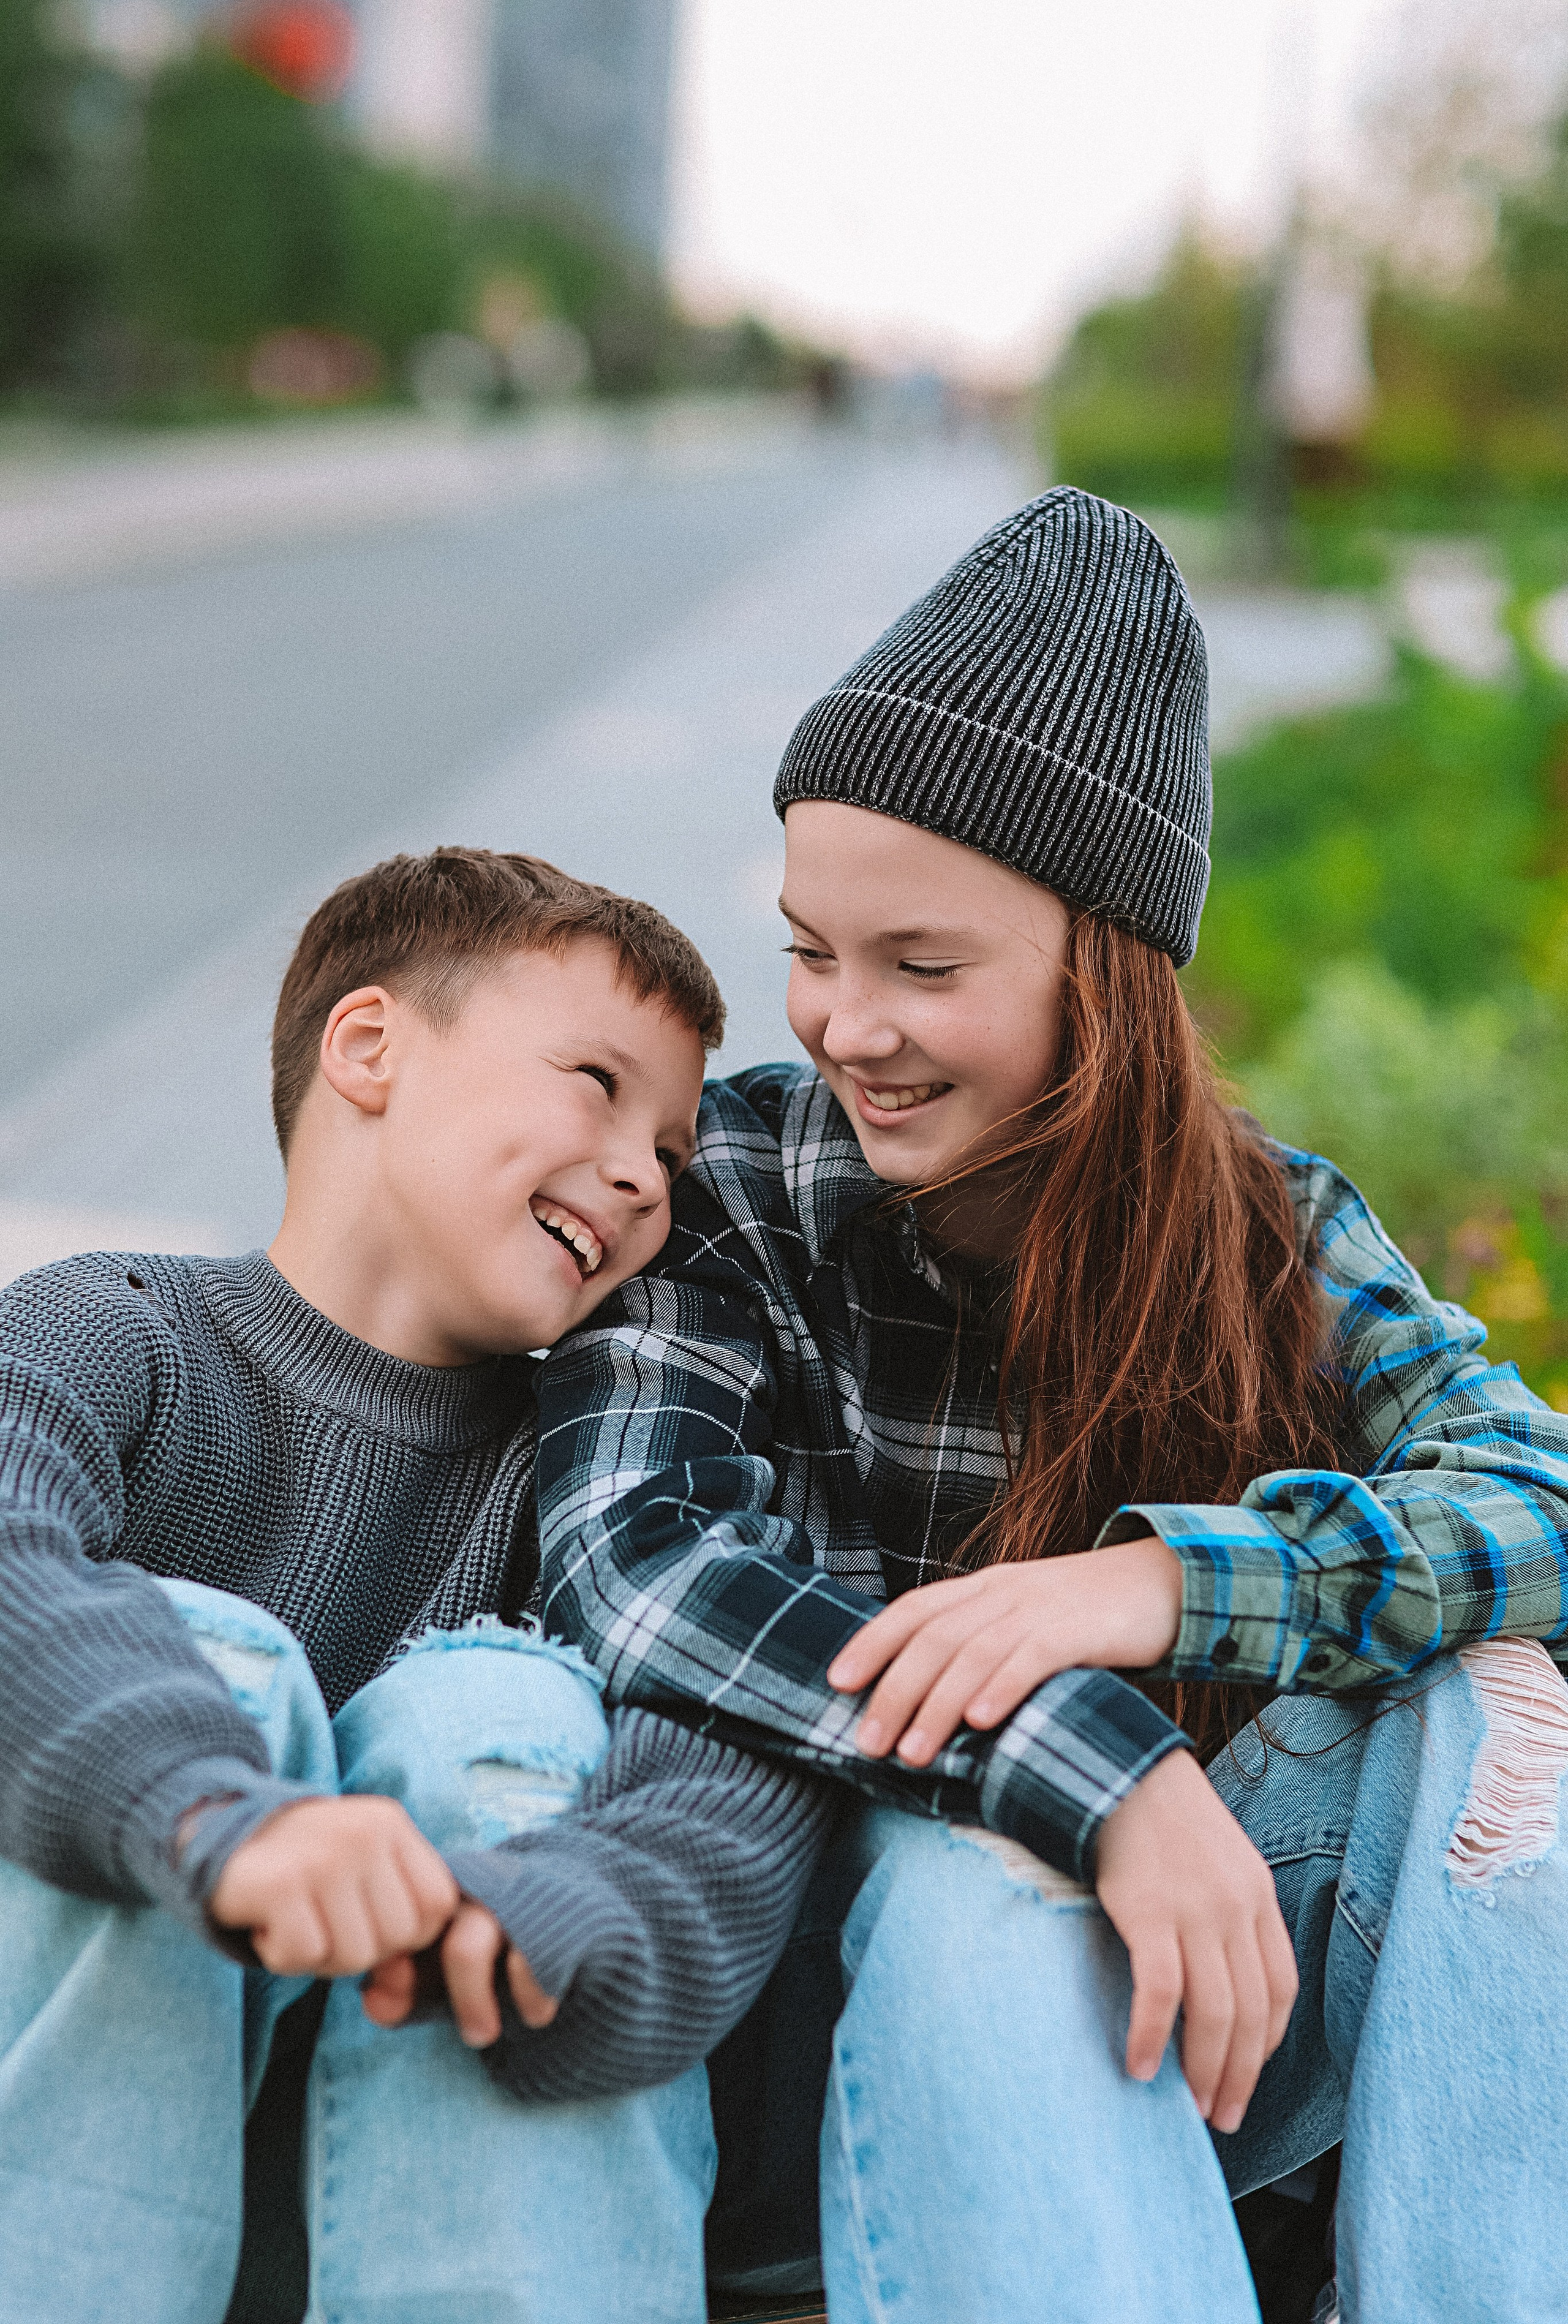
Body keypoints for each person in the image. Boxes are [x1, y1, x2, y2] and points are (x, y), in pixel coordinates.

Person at [535, 490, 1568, 2323]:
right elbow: (637, 1565)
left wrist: (1151, 1592)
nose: (846, 1027)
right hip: (843, 2032)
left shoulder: (1272, 1231)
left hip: (1208, 2019)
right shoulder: (742, 1188)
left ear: (1108, 971)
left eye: (924, 969)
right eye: (814, 949)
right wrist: (1099, 1766)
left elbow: (1538, 1497)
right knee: (977, 1881)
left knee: (1497, 1710)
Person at [0, 848, 835, 2324]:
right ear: (370, 1048)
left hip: (417, 2166)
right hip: (77, 2153)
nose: (645, 1177)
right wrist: (212, 1814)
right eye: (596, 1082)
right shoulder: (111, 1327)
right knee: (218, 1668)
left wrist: (582, 1909)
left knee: (498, 1709)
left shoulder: (600, 1469)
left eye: (672, 1151)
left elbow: (734, 1760)